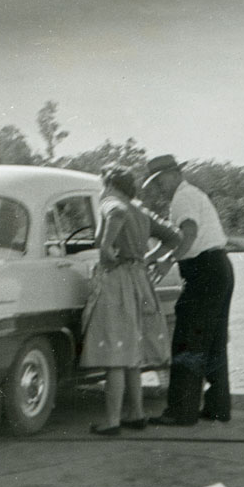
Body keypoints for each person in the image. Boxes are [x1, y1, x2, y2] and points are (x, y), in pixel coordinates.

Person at [80, 164, 183, 435]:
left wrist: (105, 245)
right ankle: (135, 413)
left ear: (110, 183)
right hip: (139, 279)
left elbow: (115, 212)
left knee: (115, 352)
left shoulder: (112, 202)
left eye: (104, 184)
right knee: (131, 353)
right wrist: (152, 258)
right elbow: (175, 235)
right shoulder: (140, 209)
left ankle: (112, 420)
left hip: (118, 280)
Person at [142, 154, 235, 426]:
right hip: (218, 268)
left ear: (172, 174)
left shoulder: (182, 198)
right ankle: (218, 406)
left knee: (187, 339)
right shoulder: (192, 194)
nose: (159, 188)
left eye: (159, 182)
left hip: (203, 271)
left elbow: (189, 234)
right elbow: (176, 238)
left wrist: (167, 261)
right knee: (215, 340)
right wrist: (151, 257)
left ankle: (181, 411)